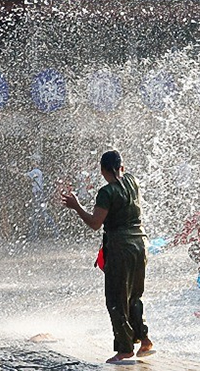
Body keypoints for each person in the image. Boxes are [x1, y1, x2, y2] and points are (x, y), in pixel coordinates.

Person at [61, 150, 155, 363]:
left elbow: (95, 223)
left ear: (102, 170)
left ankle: (125, 348)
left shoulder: (107, 192)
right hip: (140, 245)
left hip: (120, 248)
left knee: (115, 299)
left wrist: (76, 206)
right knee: (134, 296)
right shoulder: (132, 181)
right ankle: (145, 340)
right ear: (122, 167)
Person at [26, 159, 59, 240]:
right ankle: (34, 234)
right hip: (38, 194)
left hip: (37, 194)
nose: (31, 162)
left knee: (39, 214)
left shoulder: (36, 171)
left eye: (32, 161)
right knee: (37, 214)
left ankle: (54, 231)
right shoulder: (37, 171)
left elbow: (25, 177)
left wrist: (14, 171)